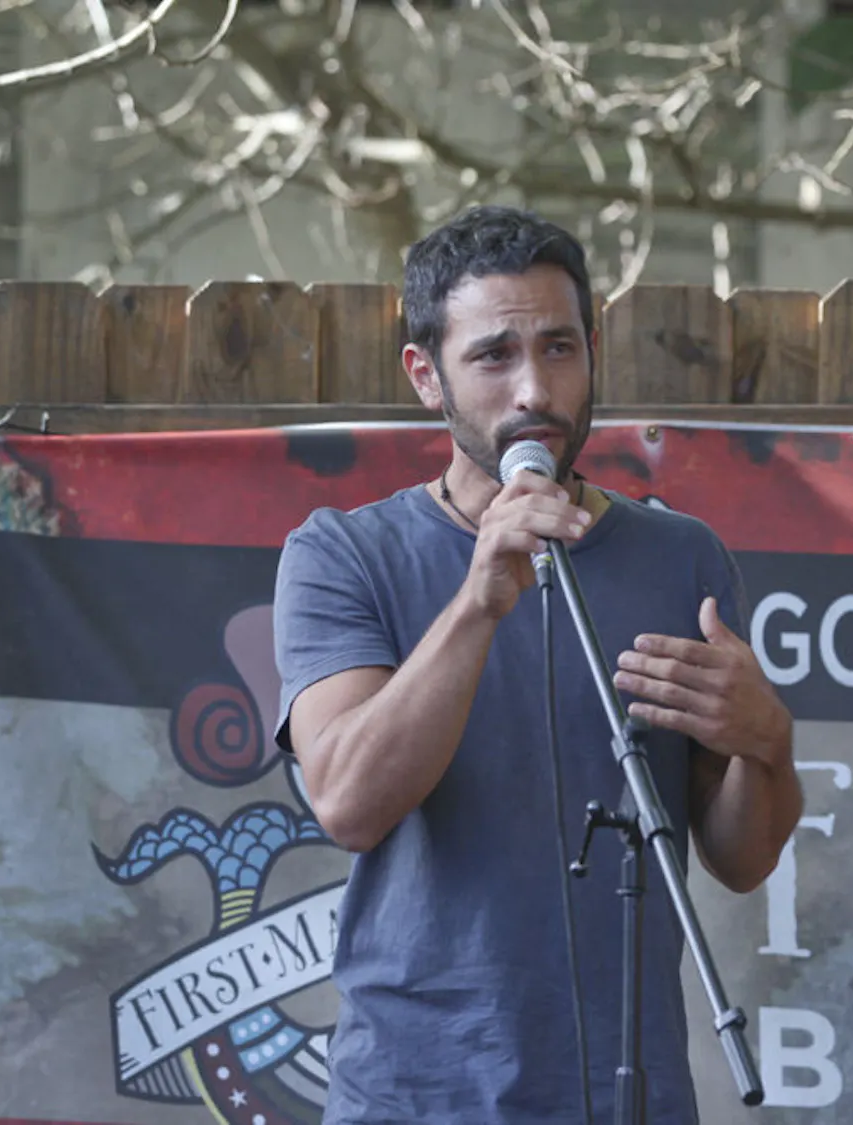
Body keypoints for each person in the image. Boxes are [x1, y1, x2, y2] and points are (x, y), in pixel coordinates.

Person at [272, 204, 803, 1124]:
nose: (534, 390)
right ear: (425, 376)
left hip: (626, 1092)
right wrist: (479, 599)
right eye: (493, 356)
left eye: (560, 348)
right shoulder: (342, 555)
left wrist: (768, 745)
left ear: (594, 351)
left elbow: (741, 859)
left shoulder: (683, 558)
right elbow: (349, 803)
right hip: (415, 1096)